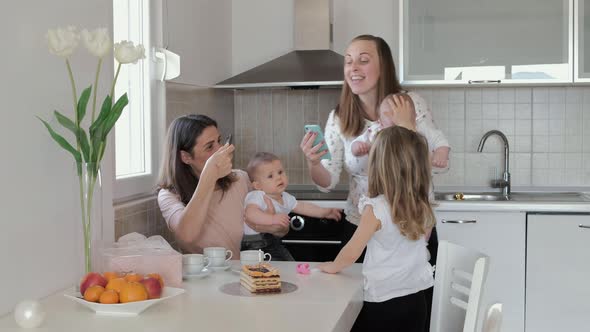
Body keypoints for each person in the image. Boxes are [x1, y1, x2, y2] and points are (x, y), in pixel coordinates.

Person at [318, 125, 436, 332]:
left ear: (379, 166)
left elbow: (353, 251)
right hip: (417, 299)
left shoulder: (376, 208)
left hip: (383, 301)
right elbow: (422, 239)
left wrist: (333, 266)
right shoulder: (421, 205)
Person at [157, 114, 288, 257]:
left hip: (253, 272)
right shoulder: (169, 195)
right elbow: (187, 235)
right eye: (209, 147)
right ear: (186, 157)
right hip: (210, 277)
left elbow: (281, 229)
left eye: (219, 141)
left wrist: (275, 227)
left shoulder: (240, 179)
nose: (221, 149)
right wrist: (209, 176)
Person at [243, 152, 342, 260]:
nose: (278, 178)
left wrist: (324, 212)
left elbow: (303, 207)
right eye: (270, 176)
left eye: (280, 172)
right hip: (253, 245)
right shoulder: (258, 195)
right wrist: (272, 219)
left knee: (289, 265)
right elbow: (250, 213)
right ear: (258, 185)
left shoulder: (285, 197)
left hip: (273, 242)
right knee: (266, 272)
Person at [351, 93, 450, 171]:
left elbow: (440, 140)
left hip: (415, 181)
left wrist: (441, 153)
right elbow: (357, 143)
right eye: (392, 125)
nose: (398, 132)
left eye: (402, 123)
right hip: (387, 181)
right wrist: (357, 147)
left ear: (414, 117)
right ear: (380, 122)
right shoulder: (376, 130)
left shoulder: (421, 128)